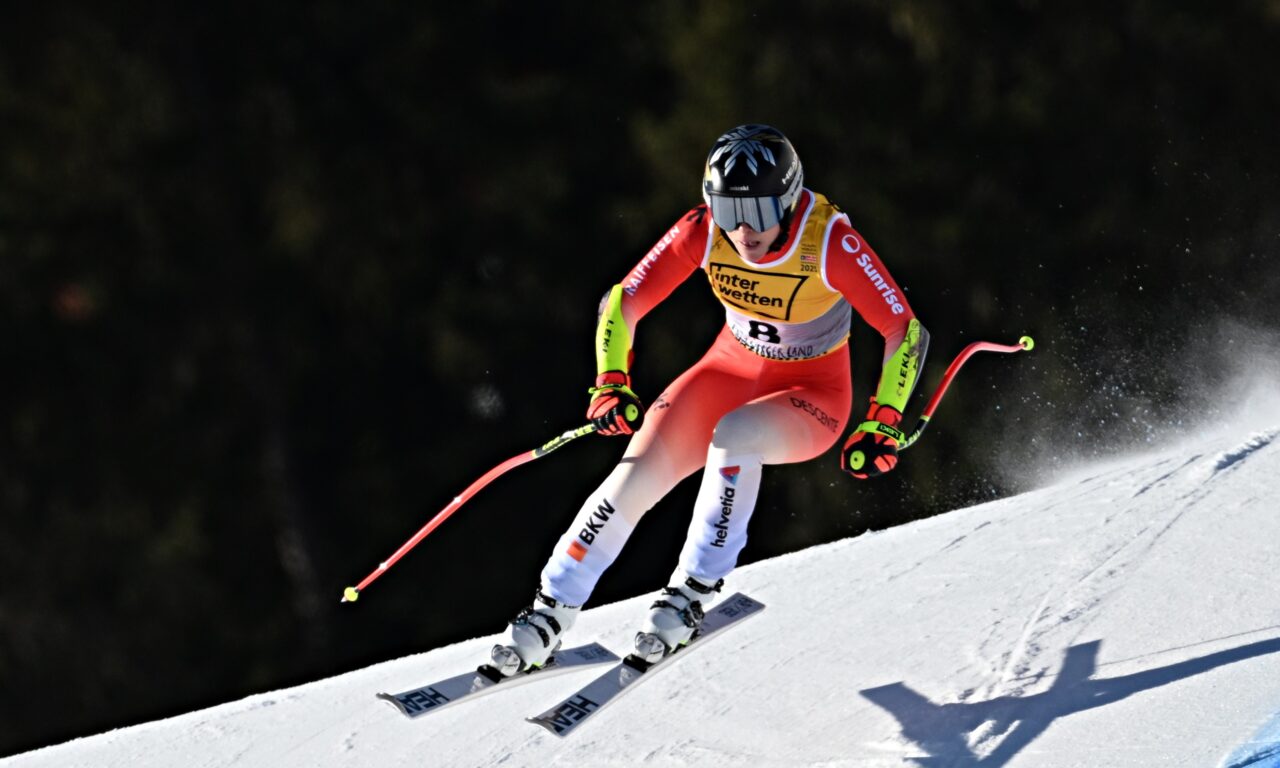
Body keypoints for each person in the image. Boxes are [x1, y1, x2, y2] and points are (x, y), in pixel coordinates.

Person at [490, 124, 929, 675]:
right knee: (634, 475)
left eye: (762, 211)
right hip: (726, 371)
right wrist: (609, 383)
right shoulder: (703, 231)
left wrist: (882, 421)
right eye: (727, 209)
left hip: (811, 394)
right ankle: (549, 611)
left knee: (736, 438)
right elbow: (622, 300)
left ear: (790, 201)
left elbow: (904, 330)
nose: (744, 229)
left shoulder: (829, 241)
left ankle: (691, 592)